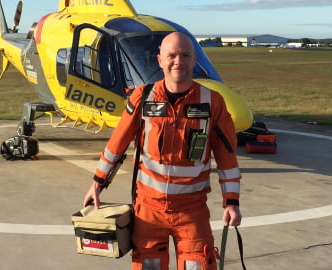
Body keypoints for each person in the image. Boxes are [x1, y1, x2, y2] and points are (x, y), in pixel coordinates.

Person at [83, 32, 242, 270]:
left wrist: (232, 202)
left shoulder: (213, 101)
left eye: (185, 55)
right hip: (148, 210)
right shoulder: (142, 97)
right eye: (172, 55)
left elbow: (226, 156)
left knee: (197, 266)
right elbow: (118, 142)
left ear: (194, 59)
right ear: (160, 60)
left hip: (192, 212)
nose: (178, 61)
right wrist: (98, 182)